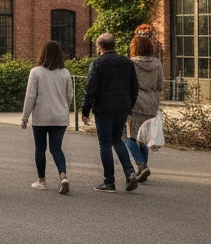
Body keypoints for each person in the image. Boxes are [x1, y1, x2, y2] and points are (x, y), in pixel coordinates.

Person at [81, 33, 140, 193]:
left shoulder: (97, 64)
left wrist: (85, 110)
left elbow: (90, 88)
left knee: (105, 143)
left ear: (99, 47)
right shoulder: (127, 63)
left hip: (104, 108)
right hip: (122, 107)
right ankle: (129, 172)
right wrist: (129, 106)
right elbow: (134, 87)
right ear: (114, 45)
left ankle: (109, 181)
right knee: (117, 140)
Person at [21, 40, 73, 195]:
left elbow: (30, 96)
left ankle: (42, 180)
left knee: (40, 148)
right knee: (56, 148)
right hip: (60, 116)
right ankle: (63, 176)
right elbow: (69, 95)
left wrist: (25, 117)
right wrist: (64, 108)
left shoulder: (36, 72)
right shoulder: (65, 73)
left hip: (41, 116)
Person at [125, 33, 163, 183]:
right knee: (144, 137)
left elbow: (128, 84)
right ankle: (143, 168)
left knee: (129, 136)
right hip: (152, 103)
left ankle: (141, 165)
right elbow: (160, 85)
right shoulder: (158, 64)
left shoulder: (131, 64)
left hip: (135, 103)